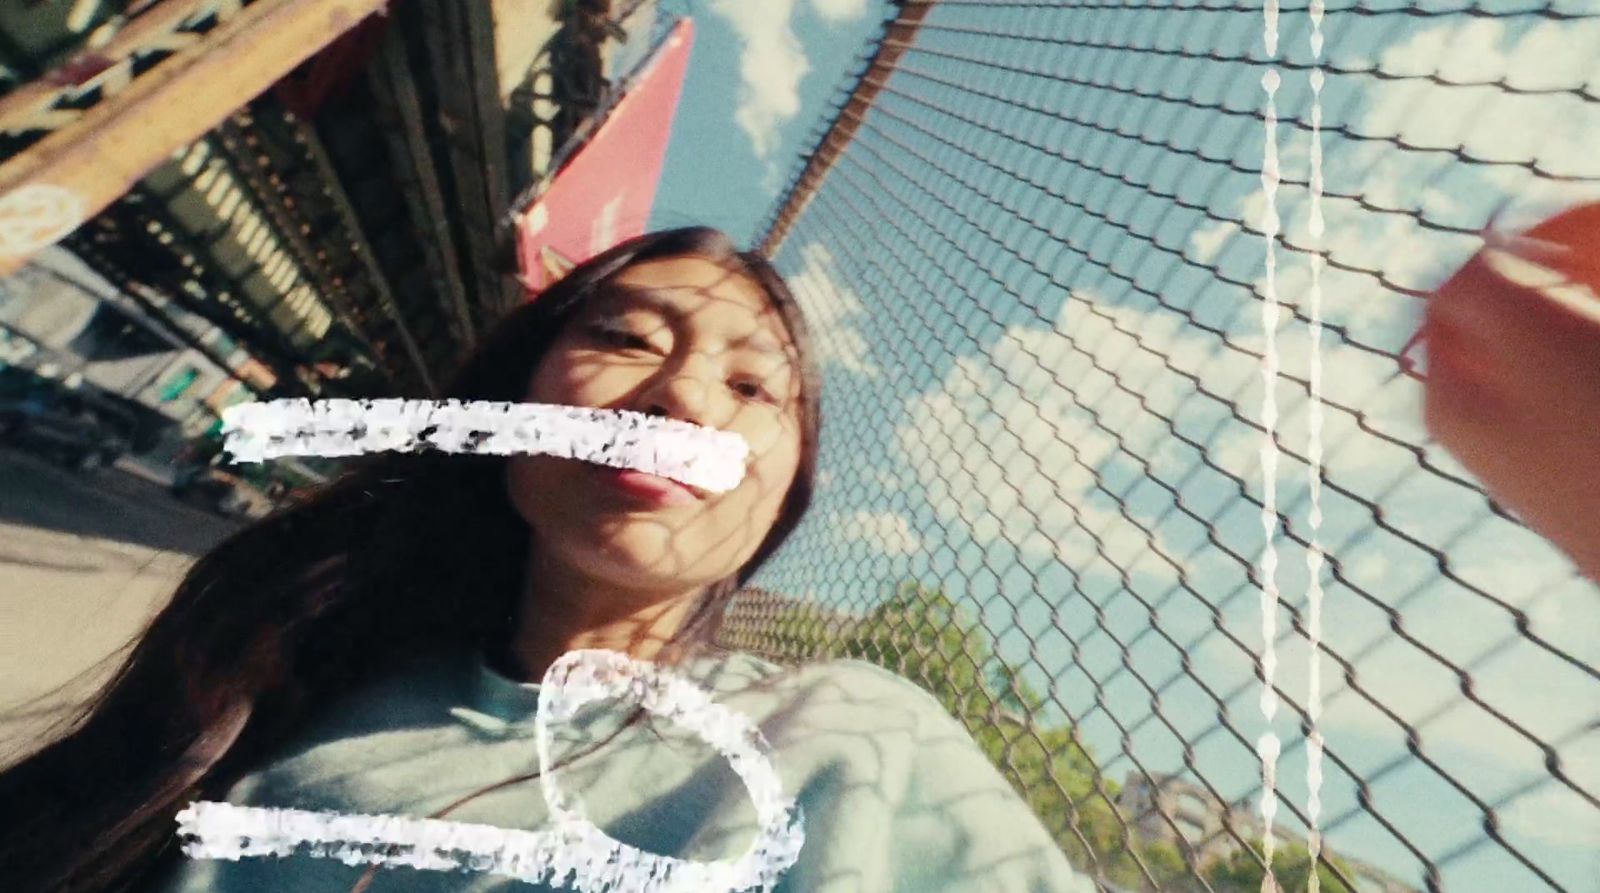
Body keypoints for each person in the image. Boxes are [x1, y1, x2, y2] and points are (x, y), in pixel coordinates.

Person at [0, 228, 1089, 893]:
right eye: (624, 338)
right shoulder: (295, 652)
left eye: (755, 388)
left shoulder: (851, 744)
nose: (678, 396)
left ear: (785, 495)